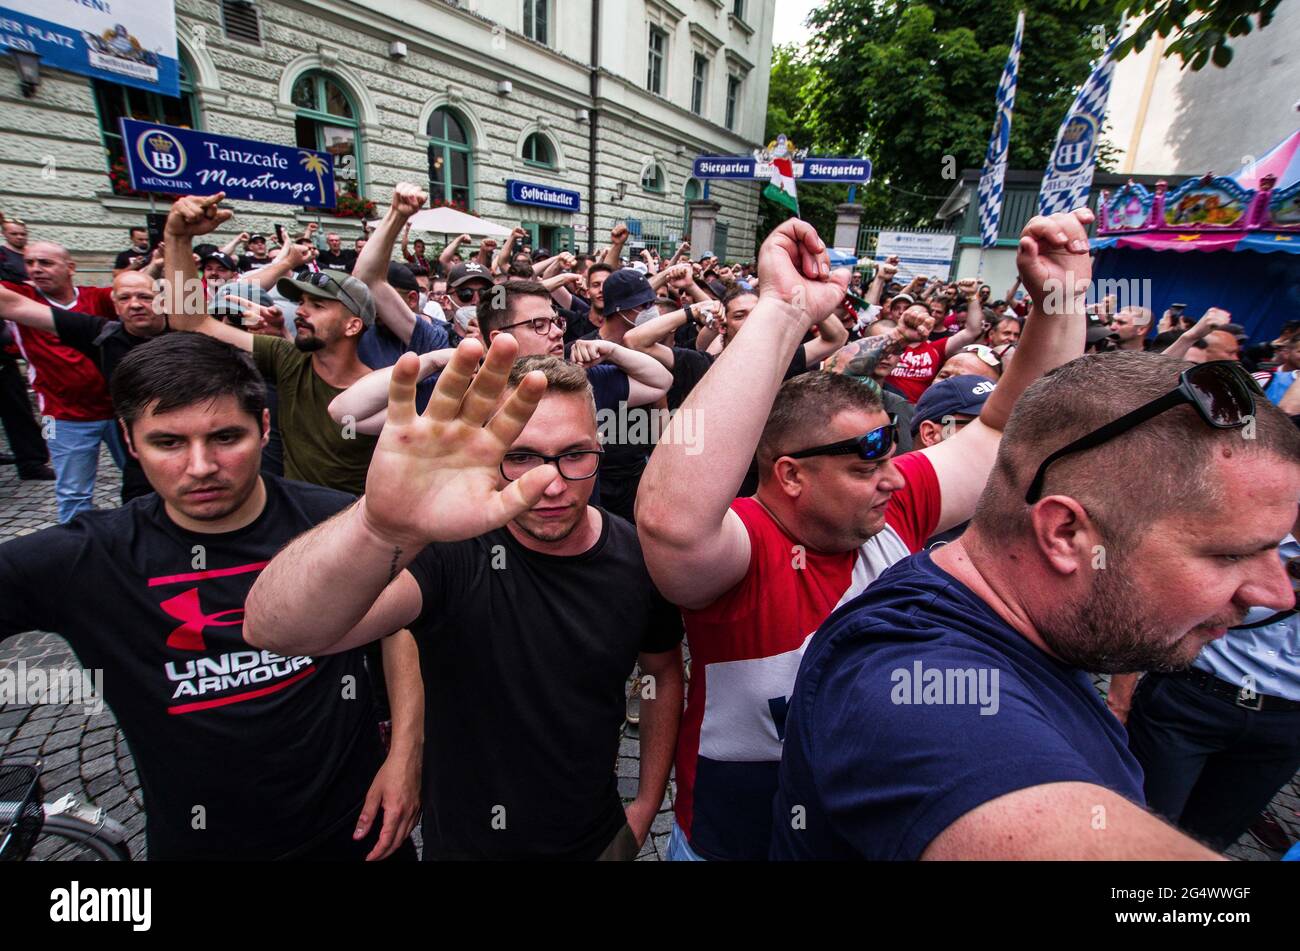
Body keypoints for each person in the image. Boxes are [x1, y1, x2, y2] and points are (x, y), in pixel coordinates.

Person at [635, 210, 1095, 862]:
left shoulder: (894, 506)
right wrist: (783, 310)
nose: (892, 479)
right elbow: (670, 518)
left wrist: (1059, 300)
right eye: (863, 464)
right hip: (731, 841)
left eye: (889, 456)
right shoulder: (746, 548)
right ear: (790, 474)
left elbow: (1006, 433)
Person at [772, 352, 1298, 860]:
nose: (1278, 594)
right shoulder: (910, 677)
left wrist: (1062, 295)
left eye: (1278, 549)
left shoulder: (1038, 628)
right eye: (1229, 554)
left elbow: (1012, 421)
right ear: (1065, 533)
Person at [243, 342, 685, 860]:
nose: (550, 483)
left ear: (600, 449)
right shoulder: (448, 552)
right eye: (519, 456)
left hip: (595, 838)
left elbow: (662, 671)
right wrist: (380, 527)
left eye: (574, 455)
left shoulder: (637, 557)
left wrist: (645, 805)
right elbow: (278, 630)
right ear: (488, 452)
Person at [0, 332, 421, 860]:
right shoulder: (85, 558)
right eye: (168, 443)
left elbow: (399, 620)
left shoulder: (337, 520)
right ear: (129, 441)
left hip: (355, 830)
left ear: (264, 428)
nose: (200, 467)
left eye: (225, 437)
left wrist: (405, 754)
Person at [163, 193, 379, 496]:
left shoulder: (381, 390)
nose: (301, 311)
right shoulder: (286, 358)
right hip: (298, 525)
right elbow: (190, 322)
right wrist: (177, 237)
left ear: (352, 325)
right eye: (301, 302)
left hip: (353, 528)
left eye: (317, 305)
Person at [1107, 525, 1300, 853]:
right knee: (1138, 834)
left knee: (1202, 846)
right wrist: (1118, 702)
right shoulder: (1245, 527)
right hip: (1190, 702)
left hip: (1282, 730)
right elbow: (1150, 605)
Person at [0, 271, 166, 501]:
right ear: (115, 306)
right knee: (73, 493)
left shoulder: (189, 331)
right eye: (125, 298)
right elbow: (13, 306)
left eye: (145, 297)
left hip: (171, 450)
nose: (135, 305)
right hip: (66, 419)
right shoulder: (102, 335)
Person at [3, 241, 123, 521]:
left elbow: (132, 292)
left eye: (45, 263)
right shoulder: (20, 296)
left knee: (142, 481)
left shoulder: (96, 297)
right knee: (73, 491)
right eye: (30, 263)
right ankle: (76, 549)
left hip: (117, 411)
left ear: (70, 268)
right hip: (61, 416)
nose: (36, 269)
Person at [886, 279, 986, 403]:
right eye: (911, 314)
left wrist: (972, 296)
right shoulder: (888, 344)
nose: (916, 318)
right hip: (887, 407)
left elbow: (973, 330)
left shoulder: (935, 348)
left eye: (922, 315)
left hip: (918, 411)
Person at [0, 215, 27, 281]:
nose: (20, 237)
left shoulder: (34, 252)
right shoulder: (2, 253)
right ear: (3, 234)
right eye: (14, 234)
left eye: (23, 234)